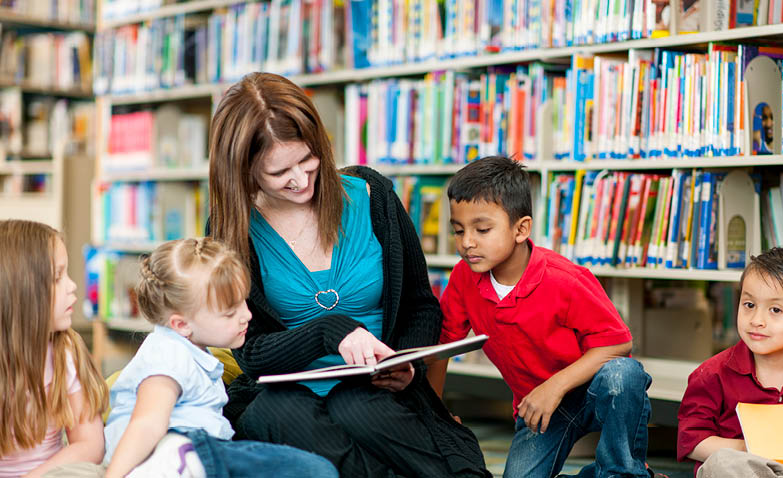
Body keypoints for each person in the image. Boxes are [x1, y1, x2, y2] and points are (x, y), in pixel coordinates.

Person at [208, 72, 490, 478]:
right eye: (279, 173)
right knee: (276, 412)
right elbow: (248, 351)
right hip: (289, 392)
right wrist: (330, 331)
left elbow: (420, 306)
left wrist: (409, 364)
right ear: (243, 169)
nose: (301, 180)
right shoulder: (230, 229)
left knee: (355, 405)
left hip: (378, 391)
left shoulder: (371, 196)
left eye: (308, 160)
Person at [437, 156, 653, 478]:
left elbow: (617, 345)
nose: (467, 242)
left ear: (521, 228)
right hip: (537, 411)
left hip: (591, 389)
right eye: (458, 230)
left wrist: (554, 387)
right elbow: (443, 346)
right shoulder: (463, 279)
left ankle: (623, 473)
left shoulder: (565, 280)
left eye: (482, 229)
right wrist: (434, 414)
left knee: (624, 375)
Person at [104, 238, 338, 478]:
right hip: (184, 445)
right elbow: (148, 423)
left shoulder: (191, 349)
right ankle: (171, 460)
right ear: (181, 324)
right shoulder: (168, 353)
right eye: (229, 313)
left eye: (243, 304)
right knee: (316, 471)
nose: (246, 315)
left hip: (207, 450)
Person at [677, 247, 783, 478]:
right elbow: (693, 442)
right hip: (744, 470)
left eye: (775, 310)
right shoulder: (711, 374)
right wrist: (755, 449)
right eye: (749, 305)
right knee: (722, 463)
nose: (757, 320)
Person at [0, 219, 109, 478]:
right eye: (57, 277)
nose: (72, 286)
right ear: (22, 293)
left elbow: (90, 444)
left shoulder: (65, 350)